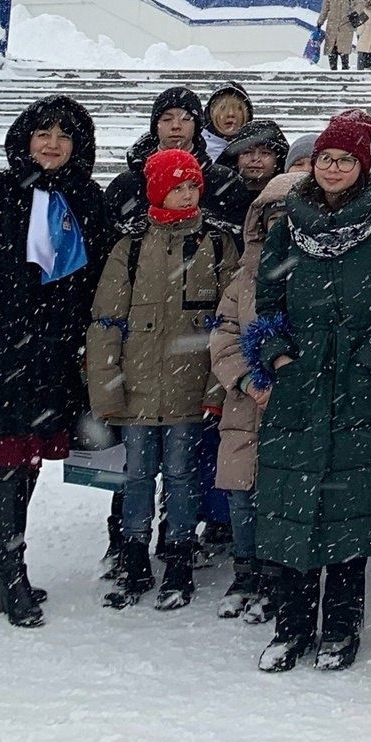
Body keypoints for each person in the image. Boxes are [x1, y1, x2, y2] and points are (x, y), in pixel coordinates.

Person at [253, 113, 371, 672]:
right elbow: (268, 298)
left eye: (345, 160)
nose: (333, 167)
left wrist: (369, 357)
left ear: (361, 168)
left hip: (359, 387)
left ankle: (341, 629)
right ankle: (291, 626)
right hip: (300, 384)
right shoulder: (287, 224)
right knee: (292, 508)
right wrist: (280, 356)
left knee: (349, 511)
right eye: (326, 157)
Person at [0, 95, 114, 627]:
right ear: (26, 138)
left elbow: (99, 278)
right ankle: (10, 574)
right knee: (11, 457)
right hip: (0, 348)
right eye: (43, 133)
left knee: (28, 456)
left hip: (55, 351)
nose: (53, 144)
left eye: (64, 135)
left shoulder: (87, 198)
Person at [87, 150, 240, 612]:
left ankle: (177, 555)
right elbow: (105, 321)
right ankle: (133, 555)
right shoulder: (129, 248)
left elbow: (227, 323)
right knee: (136, 476)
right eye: (177, 186)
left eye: (192, 185)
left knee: (181, 474)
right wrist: (107, 388)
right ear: (156, 190)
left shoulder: (216, 244)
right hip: (135, 390)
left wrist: (218, 389)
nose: (186, 193)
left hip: (190, 389)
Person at [209, 168, 303, 620]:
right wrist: (247, 380)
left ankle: (275, 573)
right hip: (246, 404)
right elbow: (224, 335)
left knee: (283, 494)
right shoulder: (242, 279)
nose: (278, 224)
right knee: (242, 492)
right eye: (271, 215)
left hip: (296, 403)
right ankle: (244, 571)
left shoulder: (313, 272)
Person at [109, 86, 208, 232]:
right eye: (167, 119)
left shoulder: (220, 180)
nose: (176, 126)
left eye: (186, 119)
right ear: (156, 126)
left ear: (197, 126)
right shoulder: (127, 185)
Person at [207, 119, 288, 240]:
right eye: (247, 152)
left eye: (265, 153)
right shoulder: (218, 196)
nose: (255, 158)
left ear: (278, 159)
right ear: (236, 158)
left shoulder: (288, 197)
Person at [318, 0, 364, 70]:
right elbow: (325, 7)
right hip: (332, 25)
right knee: (332, 52)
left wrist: (355, 12)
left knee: (344, 53)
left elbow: (360, 3)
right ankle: (333, 75)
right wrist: (320, 21)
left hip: (346, 25)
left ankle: (344, 74)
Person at [202, 84, 255, 167]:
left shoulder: (258, 148)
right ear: (211, 114)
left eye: (239, 108)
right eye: (223, 108)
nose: (231, 114)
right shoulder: (197, 148)